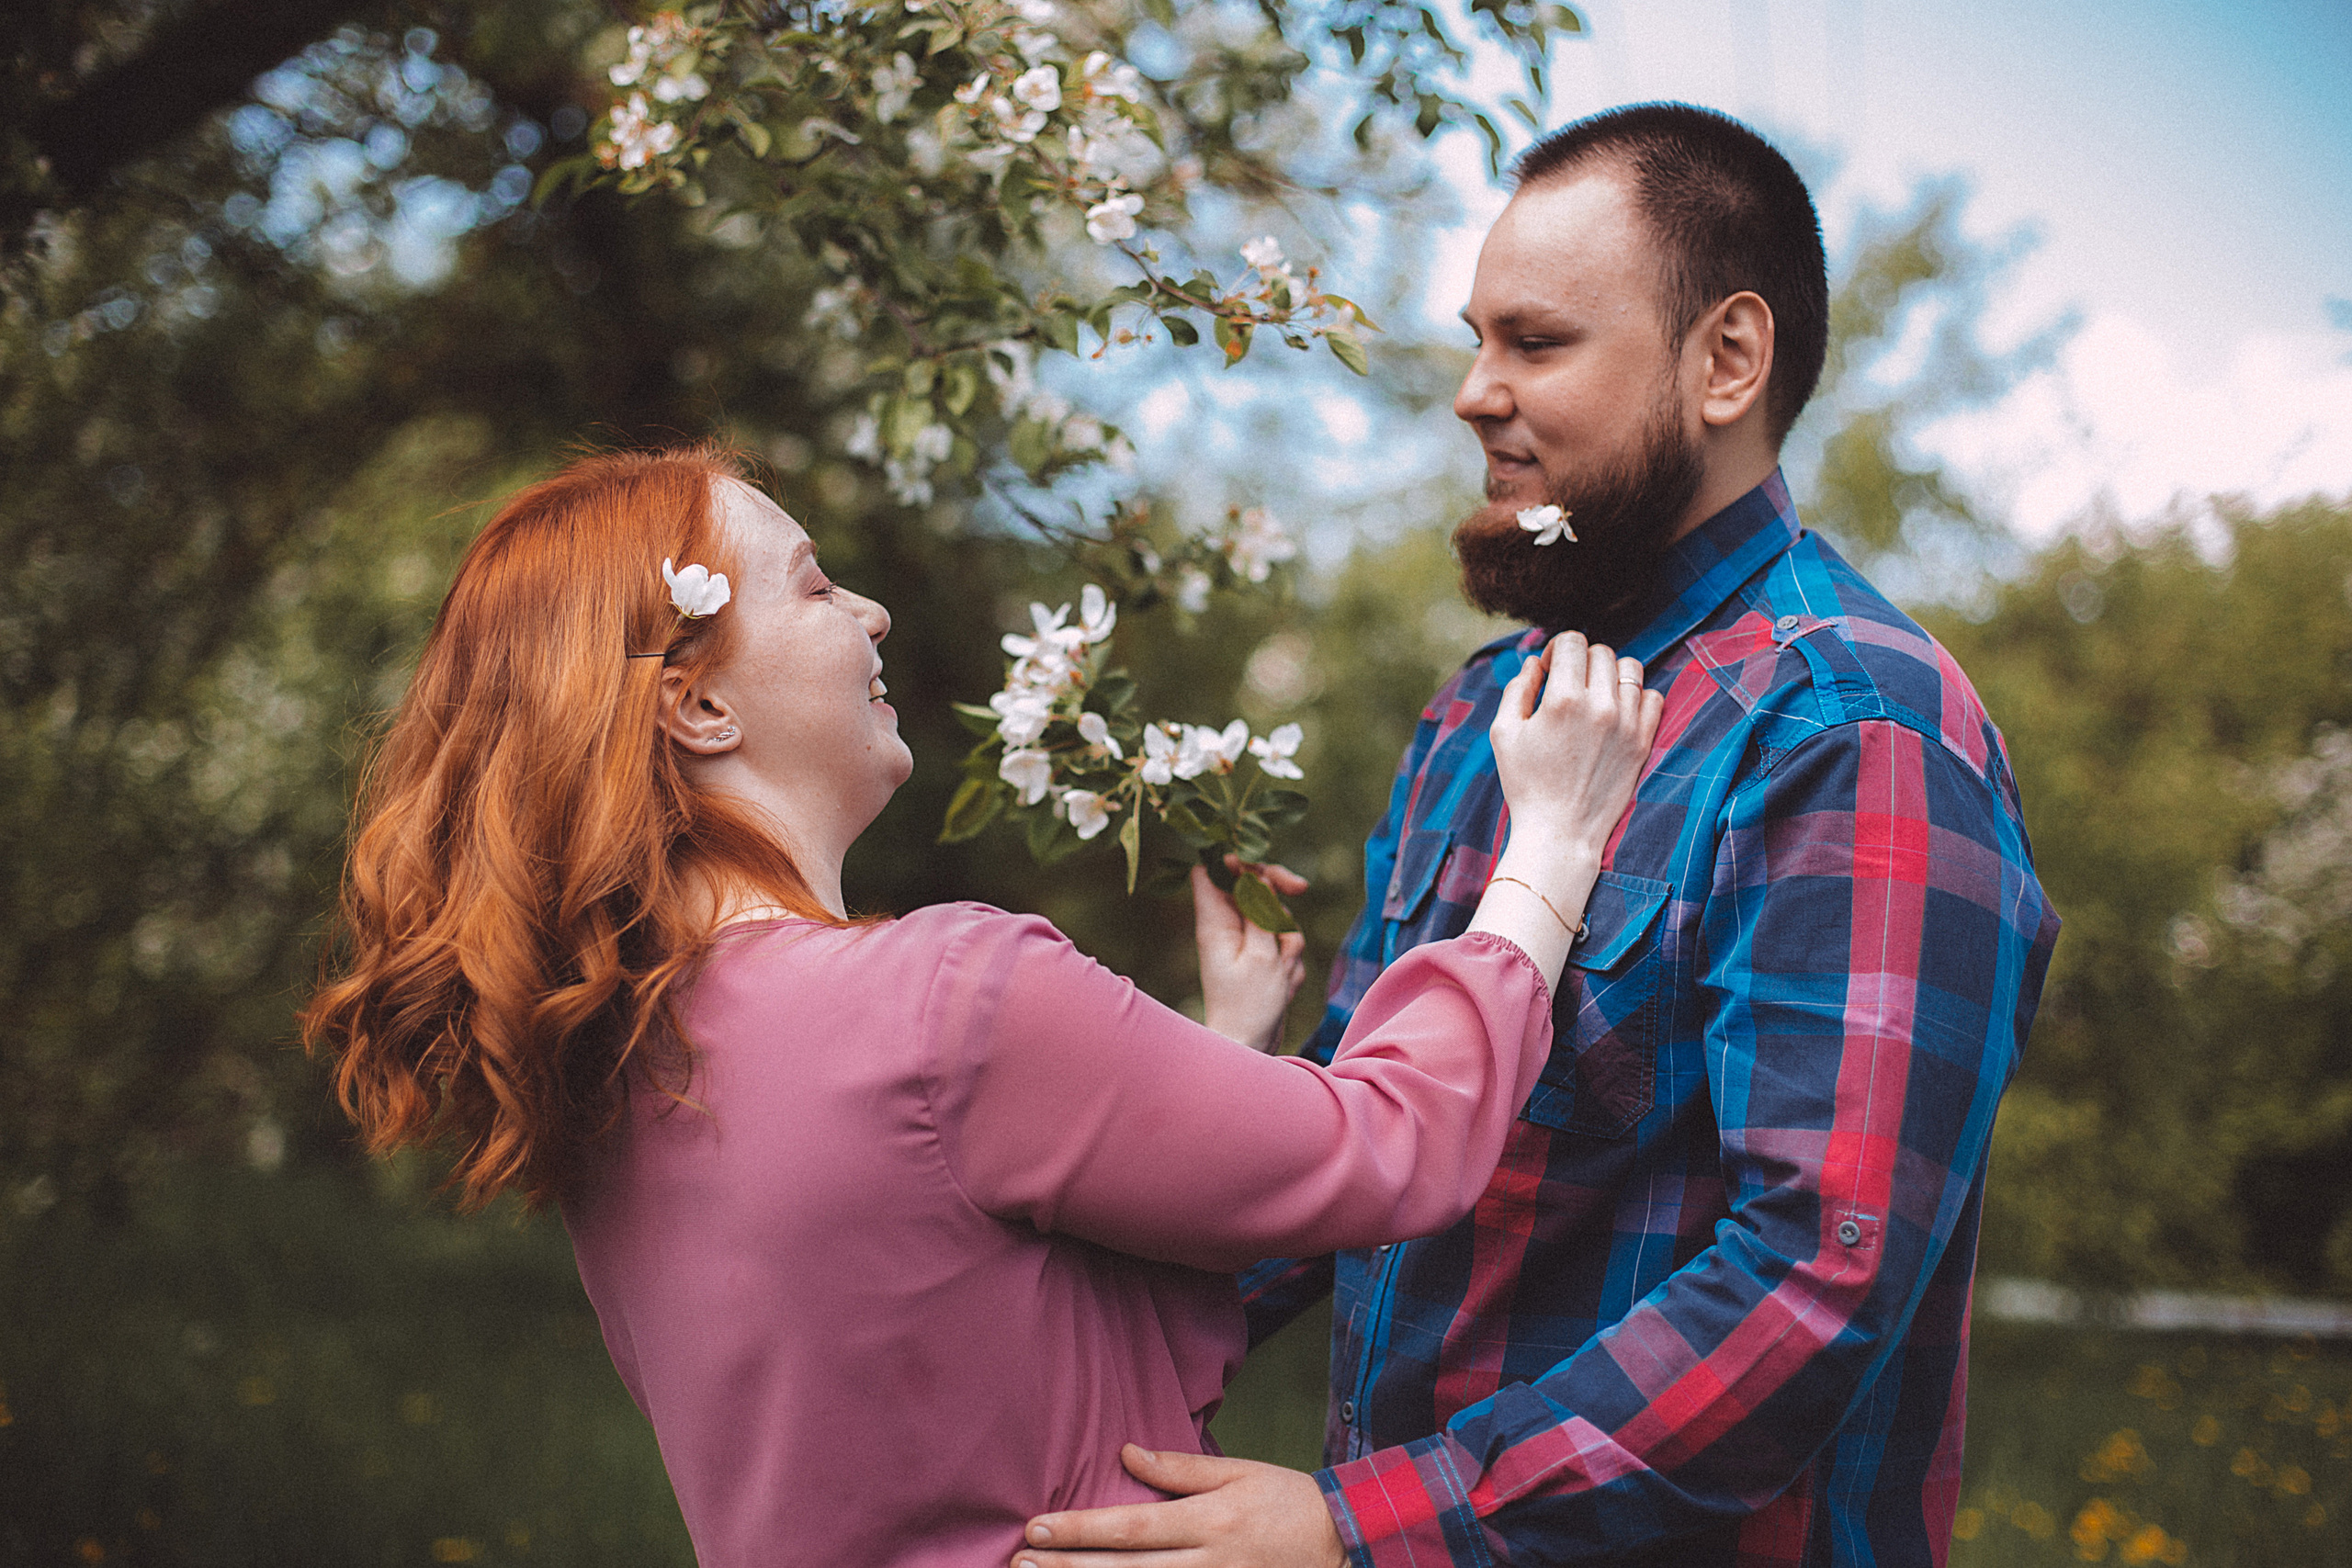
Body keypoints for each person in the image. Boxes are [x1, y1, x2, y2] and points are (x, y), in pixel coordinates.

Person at [1017, 103, 2061, 1568]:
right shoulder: (1474, 725)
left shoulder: (1854, 731)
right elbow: (1351, 1158)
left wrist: (1356, 1531)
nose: (1469, 392)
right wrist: (1017, 1298)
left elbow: (1817, 1278)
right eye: (1474, 338)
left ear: (1726, 361)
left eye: (1535, 343)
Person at [300, 446, 1663, 1565]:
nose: (871, 613)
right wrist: (1548, 842)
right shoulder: (947, 1000)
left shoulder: (615, 1066)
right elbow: (1391, 1143)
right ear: (699, 704)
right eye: (815, 585)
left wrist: (1223, 1048)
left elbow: (952, 1312)